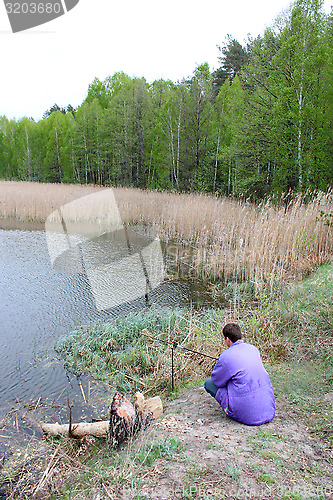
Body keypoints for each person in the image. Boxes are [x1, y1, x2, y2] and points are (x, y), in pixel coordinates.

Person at [204, 323, 275, 426]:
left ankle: (230, 409)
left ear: (228, 339)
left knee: (208, 382)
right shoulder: (253, 349)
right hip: (269, 410)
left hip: (248, 416)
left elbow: (216, 380)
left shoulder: (226, 356)